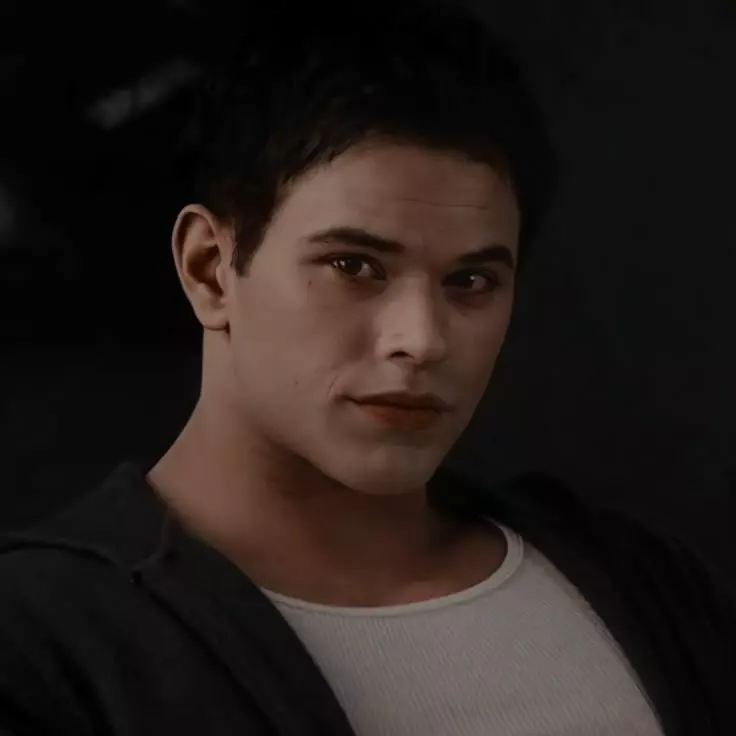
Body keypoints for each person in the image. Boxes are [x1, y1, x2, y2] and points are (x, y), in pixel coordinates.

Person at [0, 1, 733, 734]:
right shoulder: (41, 644)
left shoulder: (644, 583)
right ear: (210, 269)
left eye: (470, 281)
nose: (422, 339)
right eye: (353, 266)